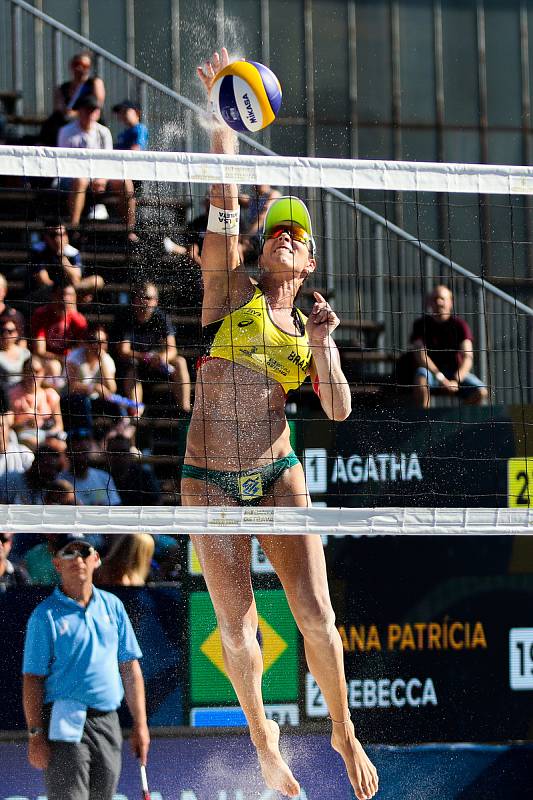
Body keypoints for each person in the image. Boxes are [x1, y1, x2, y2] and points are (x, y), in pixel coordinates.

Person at [180, 49, 378, 800]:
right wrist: (220, 126)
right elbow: (224, 199)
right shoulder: (228, 288)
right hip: (207, 483)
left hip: (274, 471)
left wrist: (325, 345)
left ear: (309, 262)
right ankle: (264, 745)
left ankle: (342, 729)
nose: (285, 235)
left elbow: (336, 410)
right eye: (278, 231)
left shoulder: (308, 332)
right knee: (236, 634)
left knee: (315, 615)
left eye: (297, 235)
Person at [22, 534, 149, 800]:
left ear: (96, 559)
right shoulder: (45, 615)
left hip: (107, 720)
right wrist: (35, 734)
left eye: (83, 552)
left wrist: (140, 724)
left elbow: (129, 668)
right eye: (69, 553)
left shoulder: (113, 606)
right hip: (64, 718)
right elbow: (32, 679)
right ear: (57, 564)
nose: (77, 559)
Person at [58, 95, 137, 241]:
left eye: (94, 109)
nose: (90, 113)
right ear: (79, 111)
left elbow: (108, 161)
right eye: (87, 109)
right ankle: (74, 229)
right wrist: (90, 177)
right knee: (81, 181)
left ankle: (129, 229)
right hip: (72, 178)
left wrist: (102, 178)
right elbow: (64, 163)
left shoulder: (104, 132)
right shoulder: (66, 132)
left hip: (99, 177)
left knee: (126, 182)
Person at [113, 281, 191, 412]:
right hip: (135, 364)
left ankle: (185, 411)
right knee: (131, 370)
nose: (145, 301)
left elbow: (172, 349)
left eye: (148, 298)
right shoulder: (126, 317)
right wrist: (144, 357)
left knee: (180, 362)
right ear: (135, 299)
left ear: (156, 301)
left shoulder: (161, 318)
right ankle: (136, 414)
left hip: (158, 365)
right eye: (141, 297)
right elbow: (123, 351)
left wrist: (161, 358)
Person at [410, 284, 489, 408]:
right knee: (421, 379)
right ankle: (424, 421)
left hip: (455, 373)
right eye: (435, 299)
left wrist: (456, 380)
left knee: (481, 391)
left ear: (451, 302)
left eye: (442, 298)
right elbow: (420, 354)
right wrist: (441, 378)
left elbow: (468, 357)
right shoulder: (420, 325)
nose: (439, 302)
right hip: (431, 373)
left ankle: (459, 420)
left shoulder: (460, 325)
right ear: (430, 303)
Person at [39, 51, 106, 146]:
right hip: (67, 119)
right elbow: (59, 107)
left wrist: (77, 113)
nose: (80, 68)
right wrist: (67, 112)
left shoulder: (94, 83)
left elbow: (98, 104)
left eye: (85, 65)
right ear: (71, 66)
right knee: (52, 122)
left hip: (88, 115)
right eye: (77, 64)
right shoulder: (64, 87)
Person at [29, 224, 104, 302]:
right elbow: (44, 282)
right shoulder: (38, 251)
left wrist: (62, 256)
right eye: (53, 235)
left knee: (97, 281)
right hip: (48, 293)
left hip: (68, 290)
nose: (58, 238)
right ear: (46, 237)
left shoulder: (73, 252)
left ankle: (72, 296)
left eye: (62, 234)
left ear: (67, 236)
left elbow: (76, 278)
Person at [31, 282, 88, 380]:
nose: (65, 299)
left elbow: (81, 349)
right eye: (61, 294)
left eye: (69, 295)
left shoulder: (79, 320)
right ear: (53, 296)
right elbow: (39, 350)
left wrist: (67, 360)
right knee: (54, 366)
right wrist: (61, 359)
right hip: (45, 360)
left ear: (75, 298)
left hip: (69, 361)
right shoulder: (41, 314)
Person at [9, 356, 64, 449]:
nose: (32, 375)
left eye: (37, 371)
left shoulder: (50, 395)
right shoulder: (12, 395)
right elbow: (7, 426)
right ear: (23, 373)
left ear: (43, 373)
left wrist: (48, 435)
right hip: (22, 437)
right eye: (28, 371)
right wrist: (25, 421)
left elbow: (59, 425)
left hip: (47, 436)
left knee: (61, 446)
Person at [62, 431, 122, 506]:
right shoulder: (60, 481)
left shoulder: (104, 477)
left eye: (84, 451)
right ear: (67, 452)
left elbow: (115, 505)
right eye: (78, 452)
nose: (82, 457)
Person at [0, 316, 30, 387]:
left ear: (17, 333)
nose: (6, 334)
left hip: (23, 391)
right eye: (3, 331)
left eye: (10, 331)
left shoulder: (25, 353)